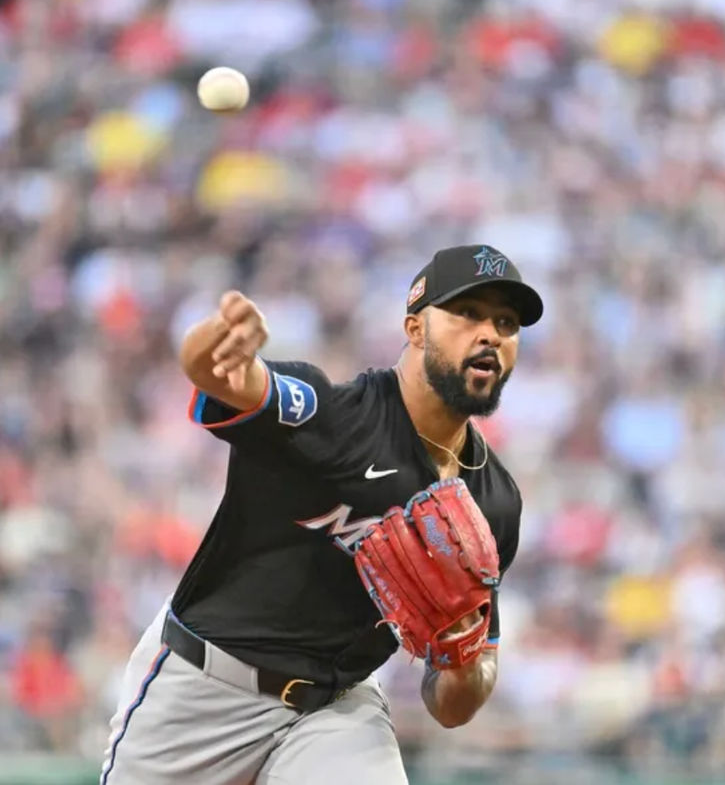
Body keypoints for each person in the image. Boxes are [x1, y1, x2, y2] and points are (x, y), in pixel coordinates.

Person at [100, 245, 543, 784]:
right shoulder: (330, 415)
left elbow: (451, 706)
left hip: (335, 711)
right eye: (467, 313)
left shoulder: (493, 504)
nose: (490, 334)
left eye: (507, 322)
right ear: (416, 328)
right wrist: (213, 343)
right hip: (206, 688)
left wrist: (464, 657)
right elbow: (220, 376)